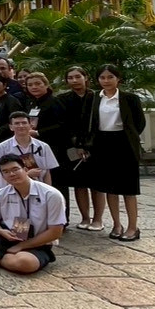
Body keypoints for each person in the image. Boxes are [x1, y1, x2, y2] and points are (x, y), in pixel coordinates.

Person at [0, 155, 66, 273]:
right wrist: (1, 231)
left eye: (15, 169)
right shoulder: (1, 194)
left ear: (25, 170)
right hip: (8, 235)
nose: (12, 174)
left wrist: (21, 246)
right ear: (2, 176)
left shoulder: (51, 195)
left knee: (25, 263)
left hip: (37, 240)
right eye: (6, 172)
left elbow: (55, 231)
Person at [90, 64, 146, 241]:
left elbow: (139, 123)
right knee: (110, 188)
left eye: (110, 77)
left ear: (118, 79)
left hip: (124, 143)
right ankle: (116, 224)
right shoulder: (95, 98)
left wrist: (129, 137)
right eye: (102, 77)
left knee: (128, 188)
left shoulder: (130, 98)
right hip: (103, 144)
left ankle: (132, 227)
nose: (106, 81)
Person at [39, 66, 98, 229]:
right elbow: (64, 125)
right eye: (70, 78)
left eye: (77, 76)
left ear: (86, 77)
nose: (74, 80)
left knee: (97, 184)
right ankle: (85, 217)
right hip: (73, 145)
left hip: (96, 143)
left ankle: (98, 218)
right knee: (79, 182)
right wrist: (78, 144)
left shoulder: (96, 97)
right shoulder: (62, 99)